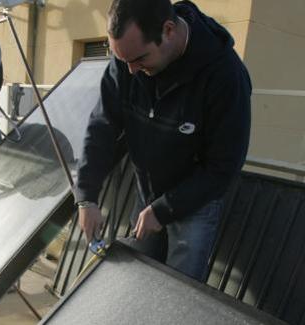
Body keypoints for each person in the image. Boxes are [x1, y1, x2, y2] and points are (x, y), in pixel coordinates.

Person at [73, 0, 251, 282]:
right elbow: (103, 126)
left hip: (196, 203)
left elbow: (223, 166)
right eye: (123, 60)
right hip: (147, 193)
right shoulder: (127, 60)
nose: (130, 71)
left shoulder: (225, 77)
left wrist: (164, 210)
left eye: (140, 59)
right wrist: (87, 197)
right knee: (136, 279)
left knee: (177, 290)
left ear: (168, 30)